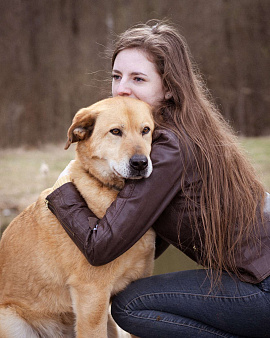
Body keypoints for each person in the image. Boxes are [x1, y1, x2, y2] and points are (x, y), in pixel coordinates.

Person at [46, 20, 270, 337]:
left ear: (167, 88)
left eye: (138, 78)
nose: (122, 87)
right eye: (117, 76)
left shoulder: (168, 148)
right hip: (258, 281)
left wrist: (63, 190)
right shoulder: (181, 130)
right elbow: (143, 230)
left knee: (130, 304)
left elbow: (100, 246)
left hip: (263, 288)